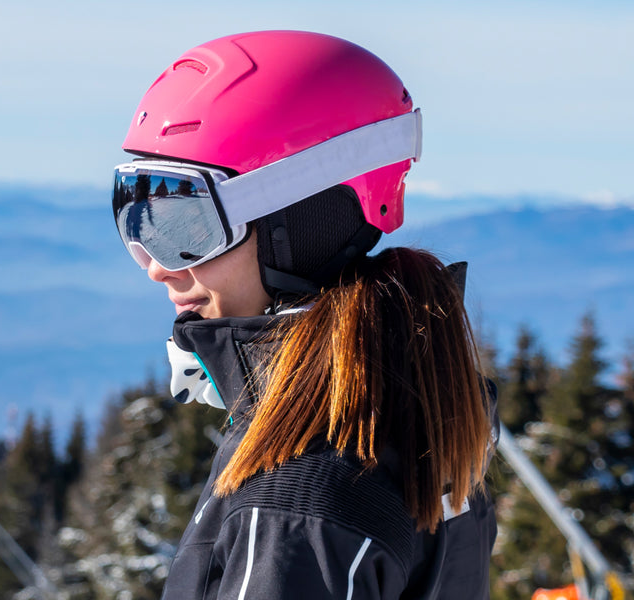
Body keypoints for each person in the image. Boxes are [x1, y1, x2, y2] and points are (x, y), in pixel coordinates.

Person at [111, 31, 498, 599]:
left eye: (188, 227)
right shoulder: (420, 406)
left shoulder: (298, 499)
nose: (156, 267)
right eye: (138, 217)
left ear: (300, 220)